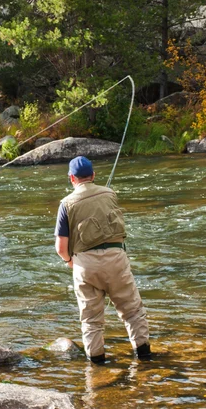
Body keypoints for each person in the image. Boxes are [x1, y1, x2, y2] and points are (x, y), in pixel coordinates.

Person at [54, 156, 151, 364]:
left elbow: (61, 248)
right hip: (116, 259)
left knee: (91, 321)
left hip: (85, 265)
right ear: (94, 175)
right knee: (132, 311)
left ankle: (97, 368)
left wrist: (69, 261)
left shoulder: (66, 204)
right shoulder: (110, 193)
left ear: (72, 178)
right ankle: (145, 358)